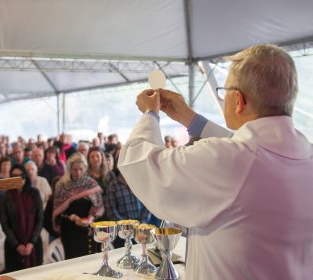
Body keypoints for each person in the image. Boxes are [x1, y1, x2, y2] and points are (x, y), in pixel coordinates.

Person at [117, 44, 313, 279]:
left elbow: (138, 161)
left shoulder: (231, 160)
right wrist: (191, 119)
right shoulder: (304, 154)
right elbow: (247, 151)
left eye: (225, 91)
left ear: (239, 100)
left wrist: (150, 114)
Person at [52, 153, 104, 259]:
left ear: (85, 168)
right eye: (75, 169)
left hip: (88, 229)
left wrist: (90, 218)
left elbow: (98, 205)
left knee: (89, 262)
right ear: (69, 169)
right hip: (70, 230)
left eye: (81, 169)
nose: (78, 172)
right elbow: (57, 211)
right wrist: (72, 217)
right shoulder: (62, 185)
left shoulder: (91, 183)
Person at [0, 164, 43, 272]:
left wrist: (31, 243)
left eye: (21, 176)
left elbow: (40, 219)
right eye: (14, 176)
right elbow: (4, 223)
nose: (18, 179)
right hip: (13, 246)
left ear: (25, 177)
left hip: (34, 243)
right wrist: (17, 245)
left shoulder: (34, 193)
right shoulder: (5, 196)